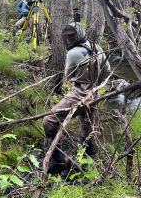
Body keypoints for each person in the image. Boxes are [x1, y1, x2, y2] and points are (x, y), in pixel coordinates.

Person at [43, 22, 111, 174]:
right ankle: (90, 160)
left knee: (48, 120)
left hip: (79, 93)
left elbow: (68, 75)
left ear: (79, 33)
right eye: (68, 36)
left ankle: (58, 160)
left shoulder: (73, 53)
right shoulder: (98, 47)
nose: (70, 38)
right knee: (87, 127)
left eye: (72, 35)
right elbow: (107, 72)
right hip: (95, 94)